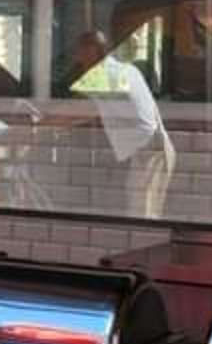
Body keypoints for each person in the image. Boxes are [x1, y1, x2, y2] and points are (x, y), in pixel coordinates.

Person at [73, 30, 174, 220]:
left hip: (149, 150)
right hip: (153, 148)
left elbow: (76, 111)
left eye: (79, 52)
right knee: (144, 212)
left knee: (142, 215)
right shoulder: (123, 69)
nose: (77, 59)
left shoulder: (106, 74)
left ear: (91, 51)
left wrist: (38, 122)